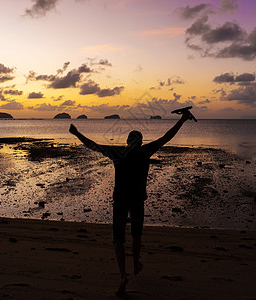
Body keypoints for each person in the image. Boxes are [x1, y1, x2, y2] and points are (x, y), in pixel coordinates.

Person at [69, 111, 193, 295]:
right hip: (137, 201)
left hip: (119, 200)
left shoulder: (118, 152)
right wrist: (182, 119)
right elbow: (167, 136)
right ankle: (135, 264)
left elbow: (93, 146)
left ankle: (122, 275)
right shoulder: (145, 152)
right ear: (141, 142)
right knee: (136, 235)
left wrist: (77, 134)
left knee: (118, 239)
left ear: (127, 142)